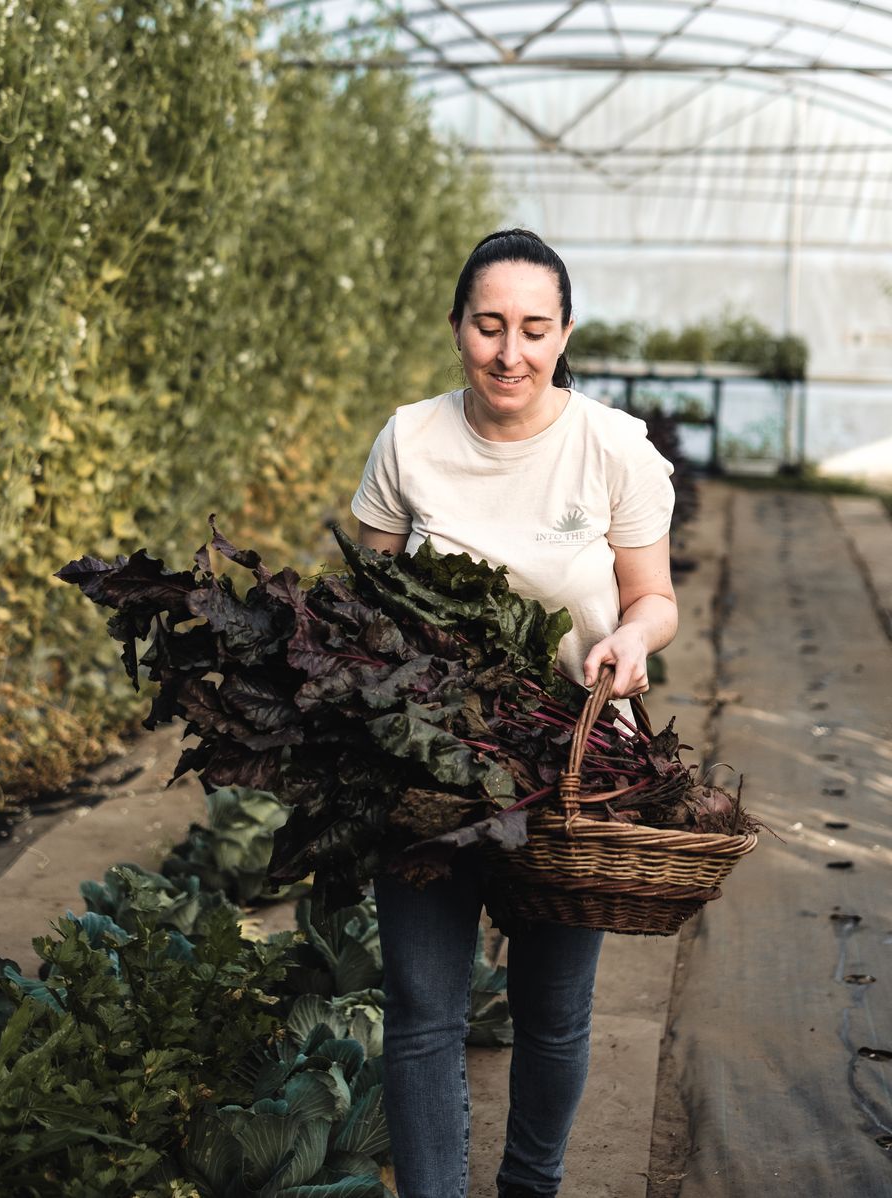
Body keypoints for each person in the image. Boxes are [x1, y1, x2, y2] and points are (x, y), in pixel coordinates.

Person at [349, 228, 677, 1198]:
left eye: (534, 329)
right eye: (489, 326)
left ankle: (530, 1186)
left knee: (553, 1011)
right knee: (419, 1009)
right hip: (427, 765)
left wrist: (632, 641)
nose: (510, 352)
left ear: (564, 331)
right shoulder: (407, 439)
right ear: (456, 326)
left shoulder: (610, 446)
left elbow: (652, 596)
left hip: (569, 770)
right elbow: (360, 599)